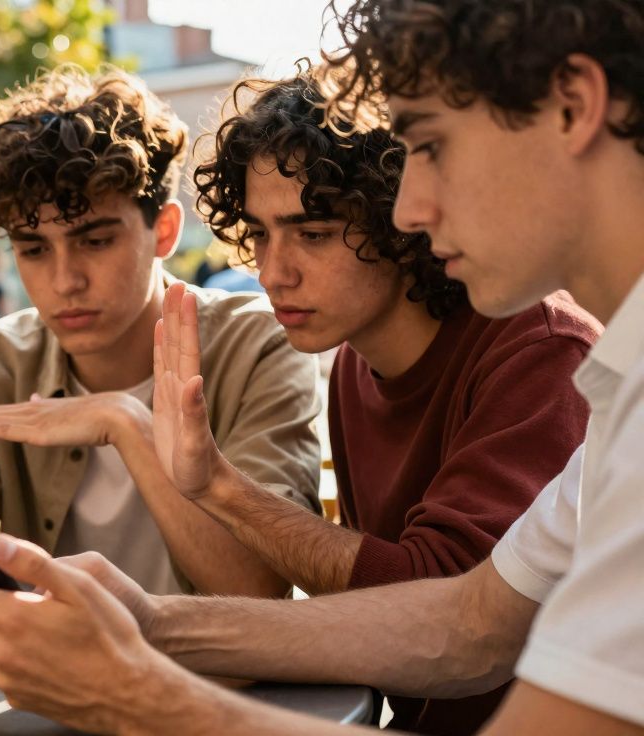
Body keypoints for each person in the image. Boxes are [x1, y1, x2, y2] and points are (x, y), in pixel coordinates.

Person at [0, 1, 644, 733]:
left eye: (433, 145)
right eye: (259, 234)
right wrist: (150, 623)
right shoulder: (605, 385)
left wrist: (138, 692)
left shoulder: (554, 355)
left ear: (575, 108)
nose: (409, 206)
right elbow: (470, 619)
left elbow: (447, 613)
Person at [184, 70, 598, 732]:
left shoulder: (540, 347)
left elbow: (439, 605)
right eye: (260, 234)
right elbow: (374, 610)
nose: (271, 272)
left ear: (399, 219)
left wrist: (220, 488)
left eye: (311, 233)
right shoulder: (354, 358)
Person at [0, 66, 322, 652]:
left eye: (94, 240)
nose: (65, 280)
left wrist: (127, 424)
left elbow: (258, 590)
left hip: (218, 690)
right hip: (56, 691)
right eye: (33, 249)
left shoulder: (258, 344)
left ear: (163, 231)